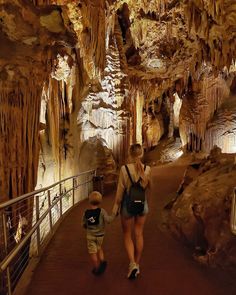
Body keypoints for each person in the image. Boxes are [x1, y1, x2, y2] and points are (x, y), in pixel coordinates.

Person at [112, 143, 151, 279]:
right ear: (141, 154)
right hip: (142, 204)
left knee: (127, 235)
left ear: (130, 154)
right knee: (139, 234)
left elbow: (120, 192)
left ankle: (132, 263)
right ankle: (137, 264)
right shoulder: (147, 169)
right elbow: (148, 187)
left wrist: (115, 209)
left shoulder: (124, 169)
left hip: (127, 205)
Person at [82, 191, 115, 275]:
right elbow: (108, 220)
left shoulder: (86, 212)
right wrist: (114, 214)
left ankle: (97, 268)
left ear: (89, 201)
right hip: (100, 235)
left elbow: (83, 223)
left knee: (93, 252)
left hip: (90, 236)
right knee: (99, 247)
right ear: (100, 201)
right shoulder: (102, 211)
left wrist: (87, 227)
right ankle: (102, 261)